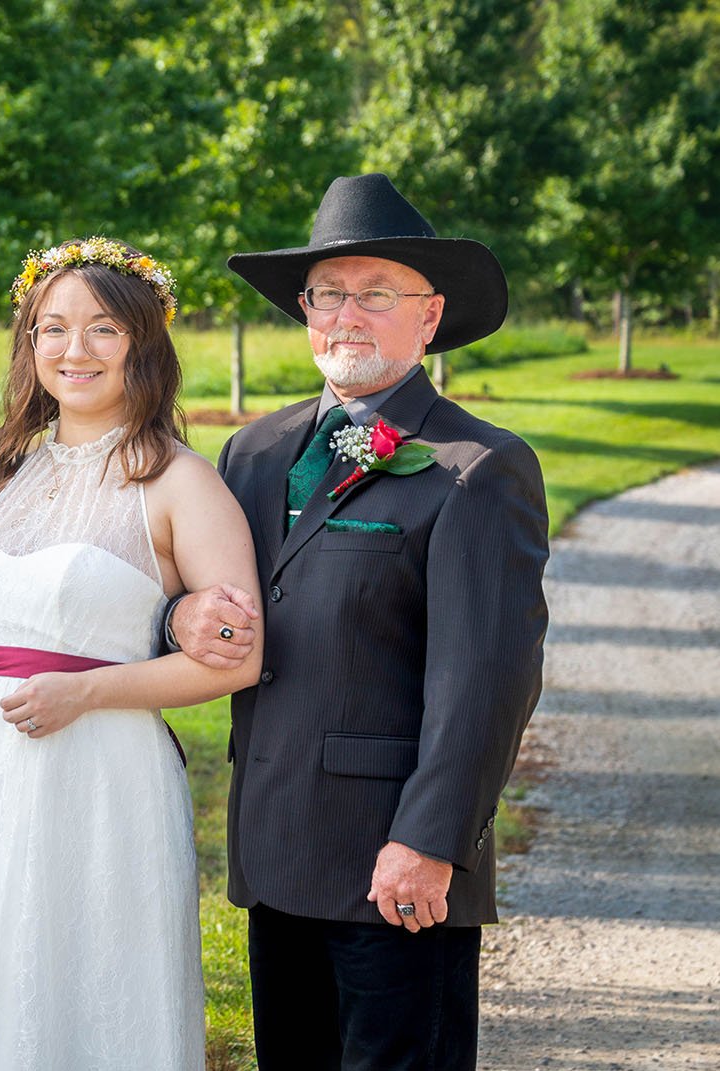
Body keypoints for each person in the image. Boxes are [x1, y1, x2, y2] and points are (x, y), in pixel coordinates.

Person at [169, 173, 550, 1070]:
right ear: (304, 310)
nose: (348, 314)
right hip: (276, 850)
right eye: (329, 294)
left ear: (429, 316)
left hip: (395, 865)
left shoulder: (478, 468)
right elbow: (214, 600)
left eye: (377, 294)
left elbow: (487, 682)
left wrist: (427, 840)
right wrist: (182, 613)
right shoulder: (253, 453)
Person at [0, 238, 265, 1070]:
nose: (74, 349)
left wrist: (85, 695)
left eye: (101, 329)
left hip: (105, 783)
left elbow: (235, 658)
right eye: (52, 329)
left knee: (98, 996)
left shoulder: (178, 482)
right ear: (29, 347)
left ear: (142, 342)